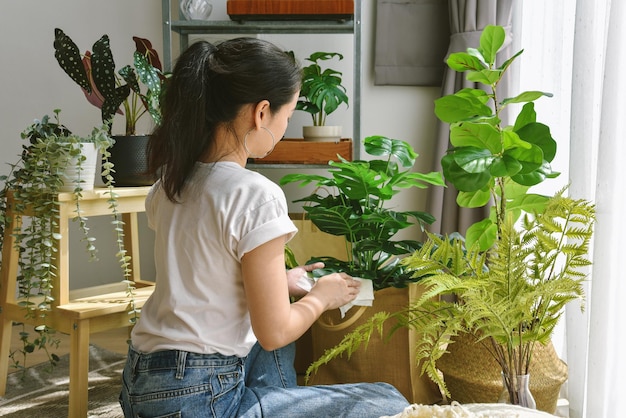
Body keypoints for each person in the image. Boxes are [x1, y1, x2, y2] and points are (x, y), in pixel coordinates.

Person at [118, 37, 410, 418]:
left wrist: (276, 281)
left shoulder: (169, 185)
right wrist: (321, 296)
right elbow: (274, 331)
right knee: (389, 400)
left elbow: (199, 272)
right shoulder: (256, 194)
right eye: (287, 116)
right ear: (261, 113)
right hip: (201, 398)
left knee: (274, 321)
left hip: (141, 382)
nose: (286, 125)